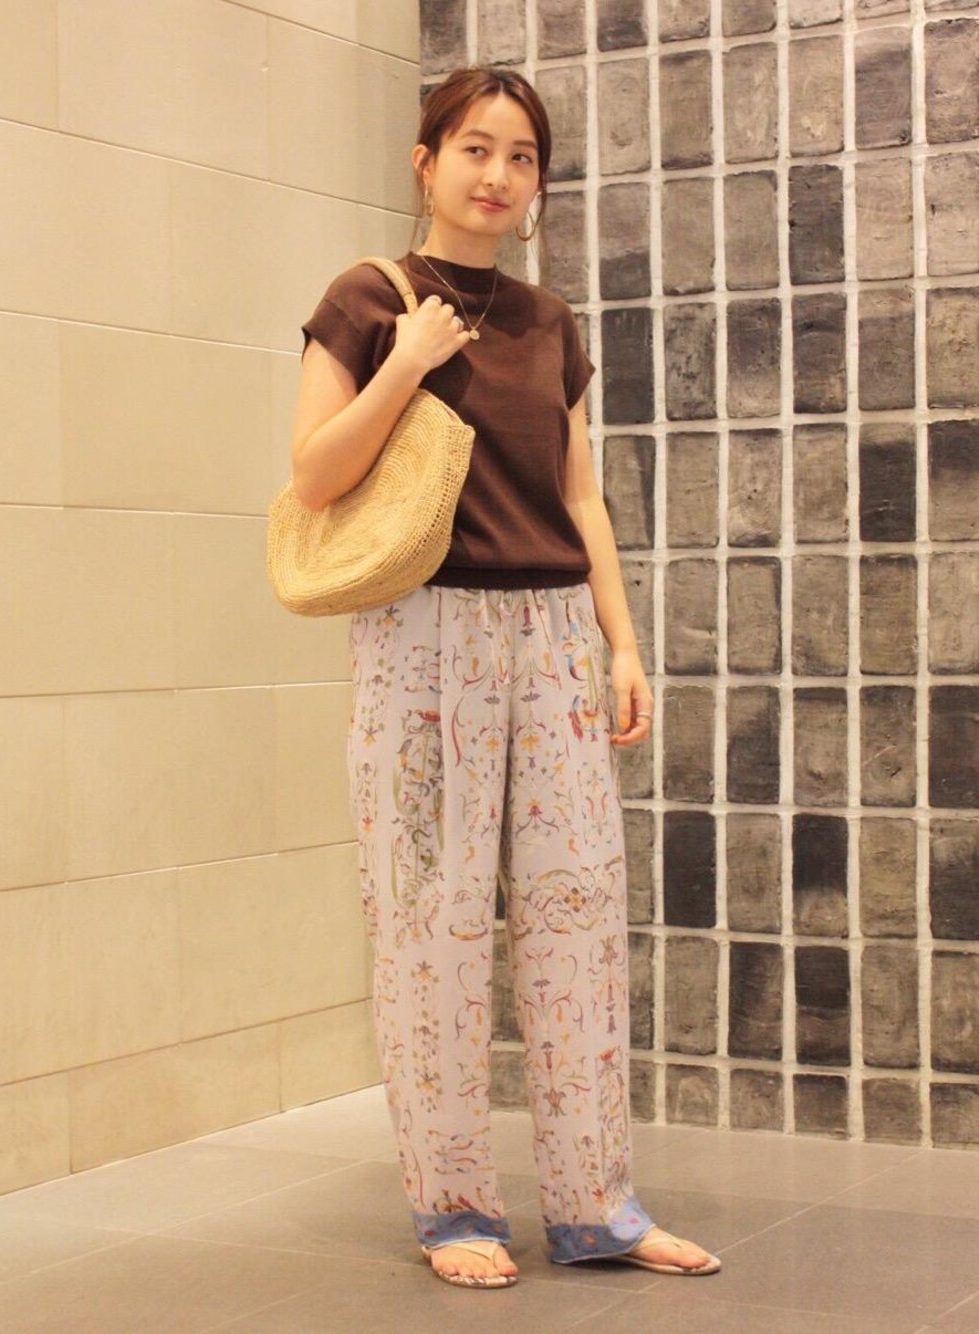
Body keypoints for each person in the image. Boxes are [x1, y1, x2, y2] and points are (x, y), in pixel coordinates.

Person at [290, 65, 721, 1290]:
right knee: (428, 921)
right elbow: (312, 474)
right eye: (474, 148)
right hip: (421, 635)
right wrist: (405, 361)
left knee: (580, 915)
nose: (497, 174)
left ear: (538, 184)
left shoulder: (547, 321)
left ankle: (595, 1204)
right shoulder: (366, 299)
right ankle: (454, 1203)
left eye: (521, 156)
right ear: (425, 161)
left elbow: (578, 493)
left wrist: (620, 642)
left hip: (552, 635)